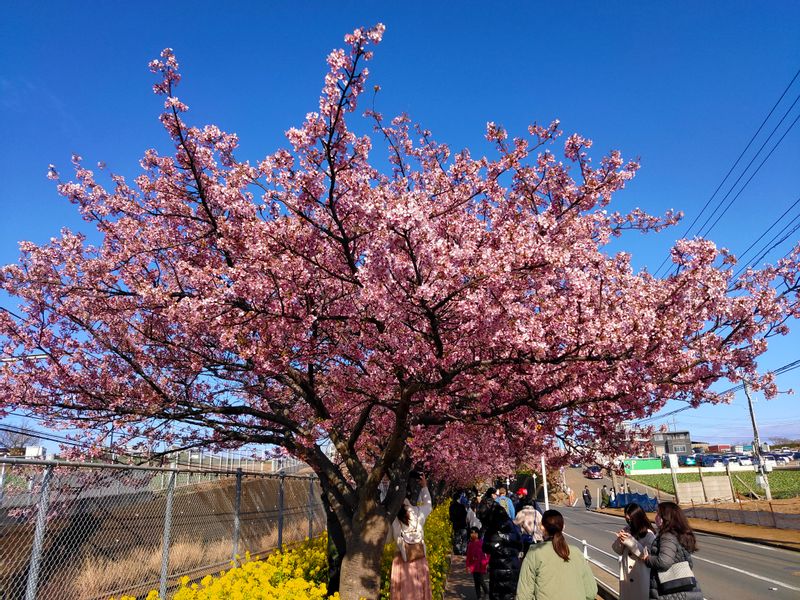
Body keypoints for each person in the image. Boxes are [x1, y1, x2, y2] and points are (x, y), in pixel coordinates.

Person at [515, 509, 598, 600]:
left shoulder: (534, 553)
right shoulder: (576, 552)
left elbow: (523, 595)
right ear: (563, 527)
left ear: (542, 527)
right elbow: (591, 592)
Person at [639, 501, 703, 600]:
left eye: (658, 514)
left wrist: (647, 559)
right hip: (684, 589)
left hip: (668, 591)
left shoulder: (667, 536)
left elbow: (664, 562)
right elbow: (688, 563)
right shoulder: (679, 534)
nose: (656, 517)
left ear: (666, 517)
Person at [390, 474, 433, 599]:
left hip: (402, 558)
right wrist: (424, 486)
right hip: (419, 556)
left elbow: (390, 538)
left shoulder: (395, 515)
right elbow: (428, 505)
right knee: (419, 589)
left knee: (404, 591)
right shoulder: (419, 512)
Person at [611, 503, 656, 600]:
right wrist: (620, 540)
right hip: (627, 577)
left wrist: (630, 541)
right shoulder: (627, 529)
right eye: (627, 519)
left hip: (641, 577)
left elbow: (646, 555)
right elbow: (617, 550)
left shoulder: (648, 534)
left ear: (637, 517)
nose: (628, 521)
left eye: (630, 519)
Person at [481, 501, 523, 600]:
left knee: (496, 595)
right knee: (509, 595)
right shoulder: (513, 527)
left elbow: (485, 548)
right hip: (512, 567)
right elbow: (519, 544)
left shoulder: (492, 530)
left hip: (497, 569)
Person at [465, 526, 490, 599]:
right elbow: (468, 555)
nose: (473, 534)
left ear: (478, 534)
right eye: (472, 533)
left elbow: (488, 554)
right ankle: (478, 596)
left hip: (481, 565)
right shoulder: (470, 544)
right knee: (476, 582)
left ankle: (486, 591)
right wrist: (467, 565)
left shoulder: (482, 543)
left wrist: (486, 562)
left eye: (475, 533)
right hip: (473, 566)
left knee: (481, 580)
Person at [450, 491, 469, 555]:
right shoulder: (462, 506)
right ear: (458, 498)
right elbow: (465, 514)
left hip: (455, 524)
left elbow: (451, 516)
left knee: (457, 537)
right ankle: (463, 550)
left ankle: (457, 550)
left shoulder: (451, 507)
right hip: (462, 524)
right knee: (464, 538)